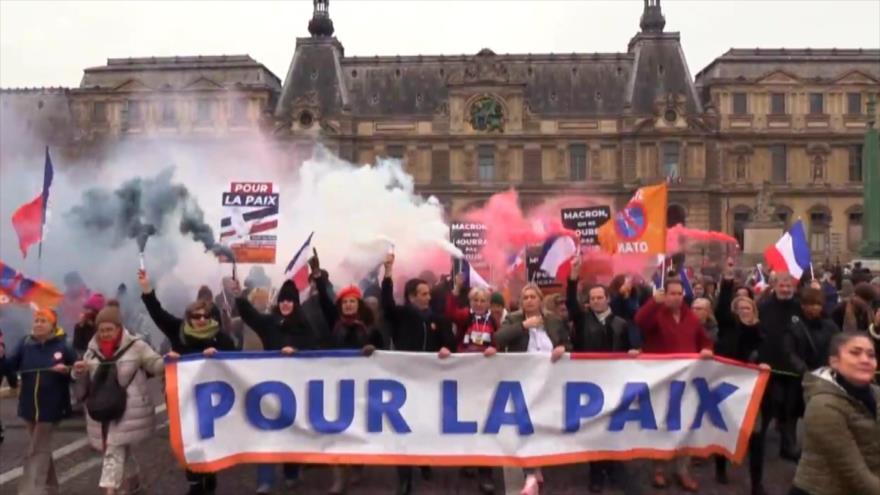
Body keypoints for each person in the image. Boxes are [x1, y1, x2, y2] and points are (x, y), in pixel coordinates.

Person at [138, 270, 236, 495]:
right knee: (187, 440)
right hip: (181, 398)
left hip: (213, 400)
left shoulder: (222, 338)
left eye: (205, 316)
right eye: (196, 316)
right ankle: (194, 481)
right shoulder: (178, 330)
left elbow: (235, 363)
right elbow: (157, 312)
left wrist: (219, 354)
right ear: (189, 318)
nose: (201, 320)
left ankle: (209, 475)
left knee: (208, 440)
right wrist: (146, 289)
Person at [72, 303, 167, 495]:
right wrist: (77, 371)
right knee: (119, 446)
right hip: (101, 407)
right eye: (101, 330)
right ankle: (133, 480)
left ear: (119, 328)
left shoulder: (137, 346)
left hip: (129, 407)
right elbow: (81, 379)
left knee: (113, 448)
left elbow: (155, 365)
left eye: (109, 329)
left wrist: (168, 361)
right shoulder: (91, 350)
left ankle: (109, 491)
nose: (105, 333)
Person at [381, 252, 454, 495]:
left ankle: (425, 460)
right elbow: (387, 304)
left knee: (425, 422)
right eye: (423, 294)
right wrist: (388, 273)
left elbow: (450, 343)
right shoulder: (402, 314)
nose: (428, 296)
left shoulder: (438, 319)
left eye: (428, 293)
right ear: (412, 297)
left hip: (430, 380)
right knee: (403, 427)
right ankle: (404, 479)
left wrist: (446, 348)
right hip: (404, 381)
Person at [235, 276, 315, 494]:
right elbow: (250, 315)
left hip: (296, 387)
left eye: (289, 300)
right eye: (282, 300)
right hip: (270, 387)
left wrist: (297, 353)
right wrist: (239, 297)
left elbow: (314, 352)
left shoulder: (304, 326)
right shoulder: (269, 323)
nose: (285, 304)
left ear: (296, 303)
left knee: (291, 431)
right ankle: (265, 480)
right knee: (267, 432)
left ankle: (291, 472)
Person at [311, 252, 383, 495]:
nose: (349, 305)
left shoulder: (370, 328)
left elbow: (383, 355)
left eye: (353, 301)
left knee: (357, 428)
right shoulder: (335, 322)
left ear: (358, 304)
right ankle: (339, 477)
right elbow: (323, 298)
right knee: (338, 430)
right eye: (345, 302)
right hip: (337, 383)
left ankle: (358, 465)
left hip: (362, 386)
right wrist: (318, 276)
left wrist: (373, 350)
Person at [634, 279, 714, 492]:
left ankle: (682, 470)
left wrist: (706, 349)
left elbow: (703, 340)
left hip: (686, 380)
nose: (676, 297)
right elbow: (639, 321)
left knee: (685, 424)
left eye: (679, 293)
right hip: (661, 378)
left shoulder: (691, 317)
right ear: (665, 294)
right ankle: (658, 468)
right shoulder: (656, 313)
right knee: (661, 423)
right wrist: (653, 302)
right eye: (672, 293)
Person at [566, 257, 638, 493]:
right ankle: (596, 472)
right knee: (595, 429)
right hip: (590, 383)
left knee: (614, 426)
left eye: (600, 297)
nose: (597, 301)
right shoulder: (582, 319)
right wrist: (573, 277)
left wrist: (634, 352)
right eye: (593, 298)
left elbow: (630, 348)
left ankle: (613, 468)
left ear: (608, 300)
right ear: (589, 302)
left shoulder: (621, 323)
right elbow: (570, 303)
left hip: (615, 382)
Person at [494, 283, 570, 495]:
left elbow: (568, 343)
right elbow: (499, 338)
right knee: (525, 424)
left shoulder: (554, 320)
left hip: (549, 381)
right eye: (525, 297)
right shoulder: (514, 319)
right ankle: (529, 474)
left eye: (532, 297)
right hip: (522, 381)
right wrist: (524, 326)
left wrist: (562, 348)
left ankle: (537, 466)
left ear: (539, 300)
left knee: (541, 423)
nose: (529, 301)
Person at [789, 332, 879, 495]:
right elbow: (854, 473)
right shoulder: (823, 405)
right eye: (855, 353)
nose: (865, 360)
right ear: (834, 362)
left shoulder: (876, 393)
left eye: (871, 355)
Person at [2, 308, 76, 495]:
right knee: (41, 450)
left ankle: (31, 491)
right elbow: (9, 367)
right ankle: (51, 489)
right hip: (28, 407)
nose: (38, 324)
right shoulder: (25, 343)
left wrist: (67, 370)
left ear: (53, 325)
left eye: (43, 321)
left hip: (52, 408)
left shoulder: (63, 346)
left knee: (35, 451)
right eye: (36, 320)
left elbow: (77, 371)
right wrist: (1, 356)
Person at [715, 265, 772, 494]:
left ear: (754, 309)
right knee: (726, 430)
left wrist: (766, 364)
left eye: (747, 307)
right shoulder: (729, 328)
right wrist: (728, 280)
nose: (744, 310)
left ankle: (756, 483)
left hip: (755, 391)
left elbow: (770, 353)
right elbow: (720, 309)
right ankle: (720, 467)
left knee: (756, 437)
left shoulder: (762, 331)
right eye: (739, 307)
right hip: (729, 388)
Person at [443, 273, 498, 494]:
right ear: (470, 302)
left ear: (488, 303)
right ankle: (467, 459)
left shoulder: (493, 319)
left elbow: (499, 338)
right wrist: (455, 289)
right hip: (465, 373)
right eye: (475, 300)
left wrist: (495, 347)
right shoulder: (465, 315)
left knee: (486, 420)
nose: (479, 303)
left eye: (483, 300)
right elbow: (449, 313)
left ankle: (486, 472)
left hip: (486, 374)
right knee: (466, 417)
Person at [757, 271, 804, 461]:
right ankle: (758, 443)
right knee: (770, 405)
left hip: (794, 367)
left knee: (791, 408)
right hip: (770, 366)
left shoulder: (799, 306)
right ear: (775, 286)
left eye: (788, 286)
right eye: (782, 286)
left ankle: (788, 444)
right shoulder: (764, 306)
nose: (785, 290)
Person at [73, 292, 106, 357]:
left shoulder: (104, 325)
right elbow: (77, 346)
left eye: (90, 309)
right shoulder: (81, 325)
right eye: (86, 308)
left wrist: (93, 327)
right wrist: (80, 327)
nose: (87, 311)